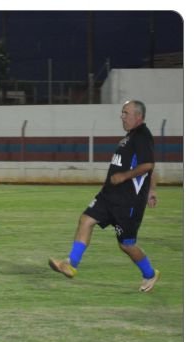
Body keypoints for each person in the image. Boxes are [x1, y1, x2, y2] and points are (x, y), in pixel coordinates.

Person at [49, 100, 160, 292]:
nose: (122, 116)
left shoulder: (142, 135)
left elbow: (148, 165)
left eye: (126, 113)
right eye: (122, 112)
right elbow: (149, 168)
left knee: (126, 245)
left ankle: (150, 274)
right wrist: (152, 189)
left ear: (138, 116)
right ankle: (71, 264)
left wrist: (126, 177)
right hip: (109, 195)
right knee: (85, 220)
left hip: (128, 202)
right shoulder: (129, 137)